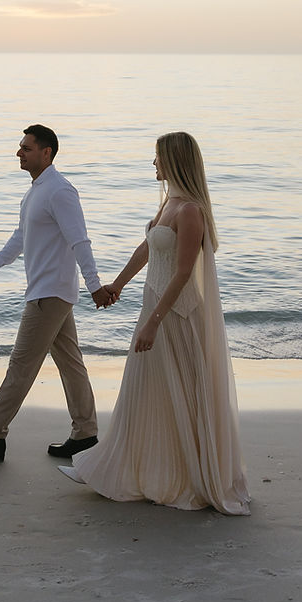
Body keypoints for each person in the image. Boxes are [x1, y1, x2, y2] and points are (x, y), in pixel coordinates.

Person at [60, 131, 250, 514]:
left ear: (175, 161)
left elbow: (182, 274)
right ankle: (125, 466)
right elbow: (147, 248)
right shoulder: (169, 204)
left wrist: (154, 323)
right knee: (145, 392)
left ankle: (178, 475)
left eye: (158, 157)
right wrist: (117, 283)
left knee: (177, 394)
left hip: (176, 316)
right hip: (155, 307)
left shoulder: (190, 210)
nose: (153, 163)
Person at [0, 124, 115, 464]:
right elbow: (20, 238)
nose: (19, 153)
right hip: (50, 292)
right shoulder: (35, 192)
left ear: (46, 153)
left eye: (26, 148)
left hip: (49, 295)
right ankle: (85, 433)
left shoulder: (60, 191)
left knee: (20, 367)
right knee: (71, 364)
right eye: (20, 147)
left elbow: (79, 240)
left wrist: (95, 285)